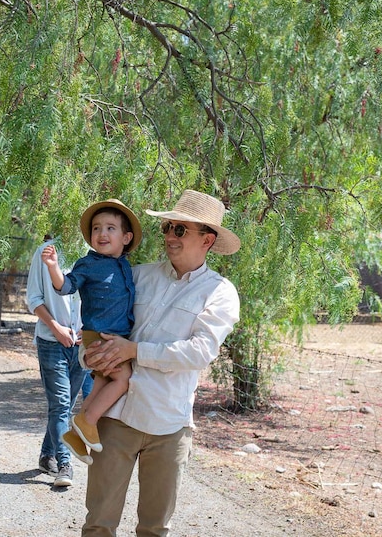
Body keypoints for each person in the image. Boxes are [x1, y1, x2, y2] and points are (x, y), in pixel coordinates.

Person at [81, 189, 241, 536]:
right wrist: (90, 352)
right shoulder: (137, 275)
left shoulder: (220, 293)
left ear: (208, 240)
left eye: (180, 230)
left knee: (154, 528)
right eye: (168, 227)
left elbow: (200, 351)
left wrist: (135, 351)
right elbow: (101, 319)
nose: (169, 235)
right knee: (98, 524)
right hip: (116, 416)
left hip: (168, 423)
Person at [41, 199, 141, 467]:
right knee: (123, 378)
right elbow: (66, 287)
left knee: (101, 383)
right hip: (99, 336)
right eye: (97, 229)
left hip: (116, 337)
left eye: (110, 228)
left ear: (126, 237)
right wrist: (53, 268)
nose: (102, 234)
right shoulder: (89, 263)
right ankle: (87, 420)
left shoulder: (126, 266)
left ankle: (76, 435)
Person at [26, 236, 87, 487]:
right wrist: (56, 328)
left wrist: (90, 329)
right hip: (52, 341)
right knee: (61, 404)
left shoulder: (92, 252)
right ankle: (64, 463)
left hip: (83, 343)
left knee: (64, 406)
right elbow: (34, 299)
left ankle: (46, 454)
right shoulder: (45, 252)